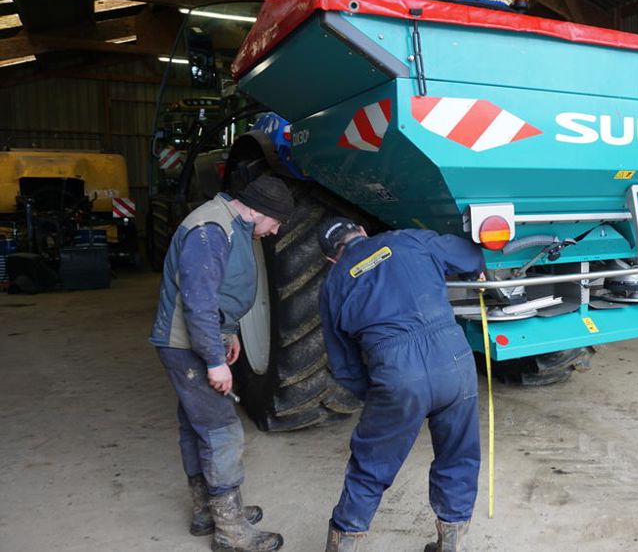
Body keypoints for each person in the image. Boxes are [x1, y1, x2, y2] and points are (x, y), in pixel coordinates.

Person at [317, 218, 485, 552]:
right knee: (458, 454)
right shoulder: (408, 240)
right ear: (362, 232)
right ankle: (451, 543)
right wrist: (472, 271)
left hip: (396, 373)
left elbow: (345, 365)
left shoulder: (334, 282)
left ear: (331, 258)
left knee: (371, 464)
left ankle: (345, 543)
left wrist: (383, 397)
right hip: (456, 360)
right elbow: (471, 256)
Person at [149, 176, 292, 552]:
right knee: (221, 431)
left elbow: (221, 291)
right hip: (187, 347)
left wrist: (229, 335)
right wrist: (214, 360)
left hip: (200, 340)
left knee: (196, 426)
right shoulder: (211, 229)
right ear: (259, 210)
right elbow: (198, 301)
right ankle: (231, 531)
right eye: (275, 222)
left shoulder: (231, 225)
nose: (275, 230)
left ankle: (206, 512)